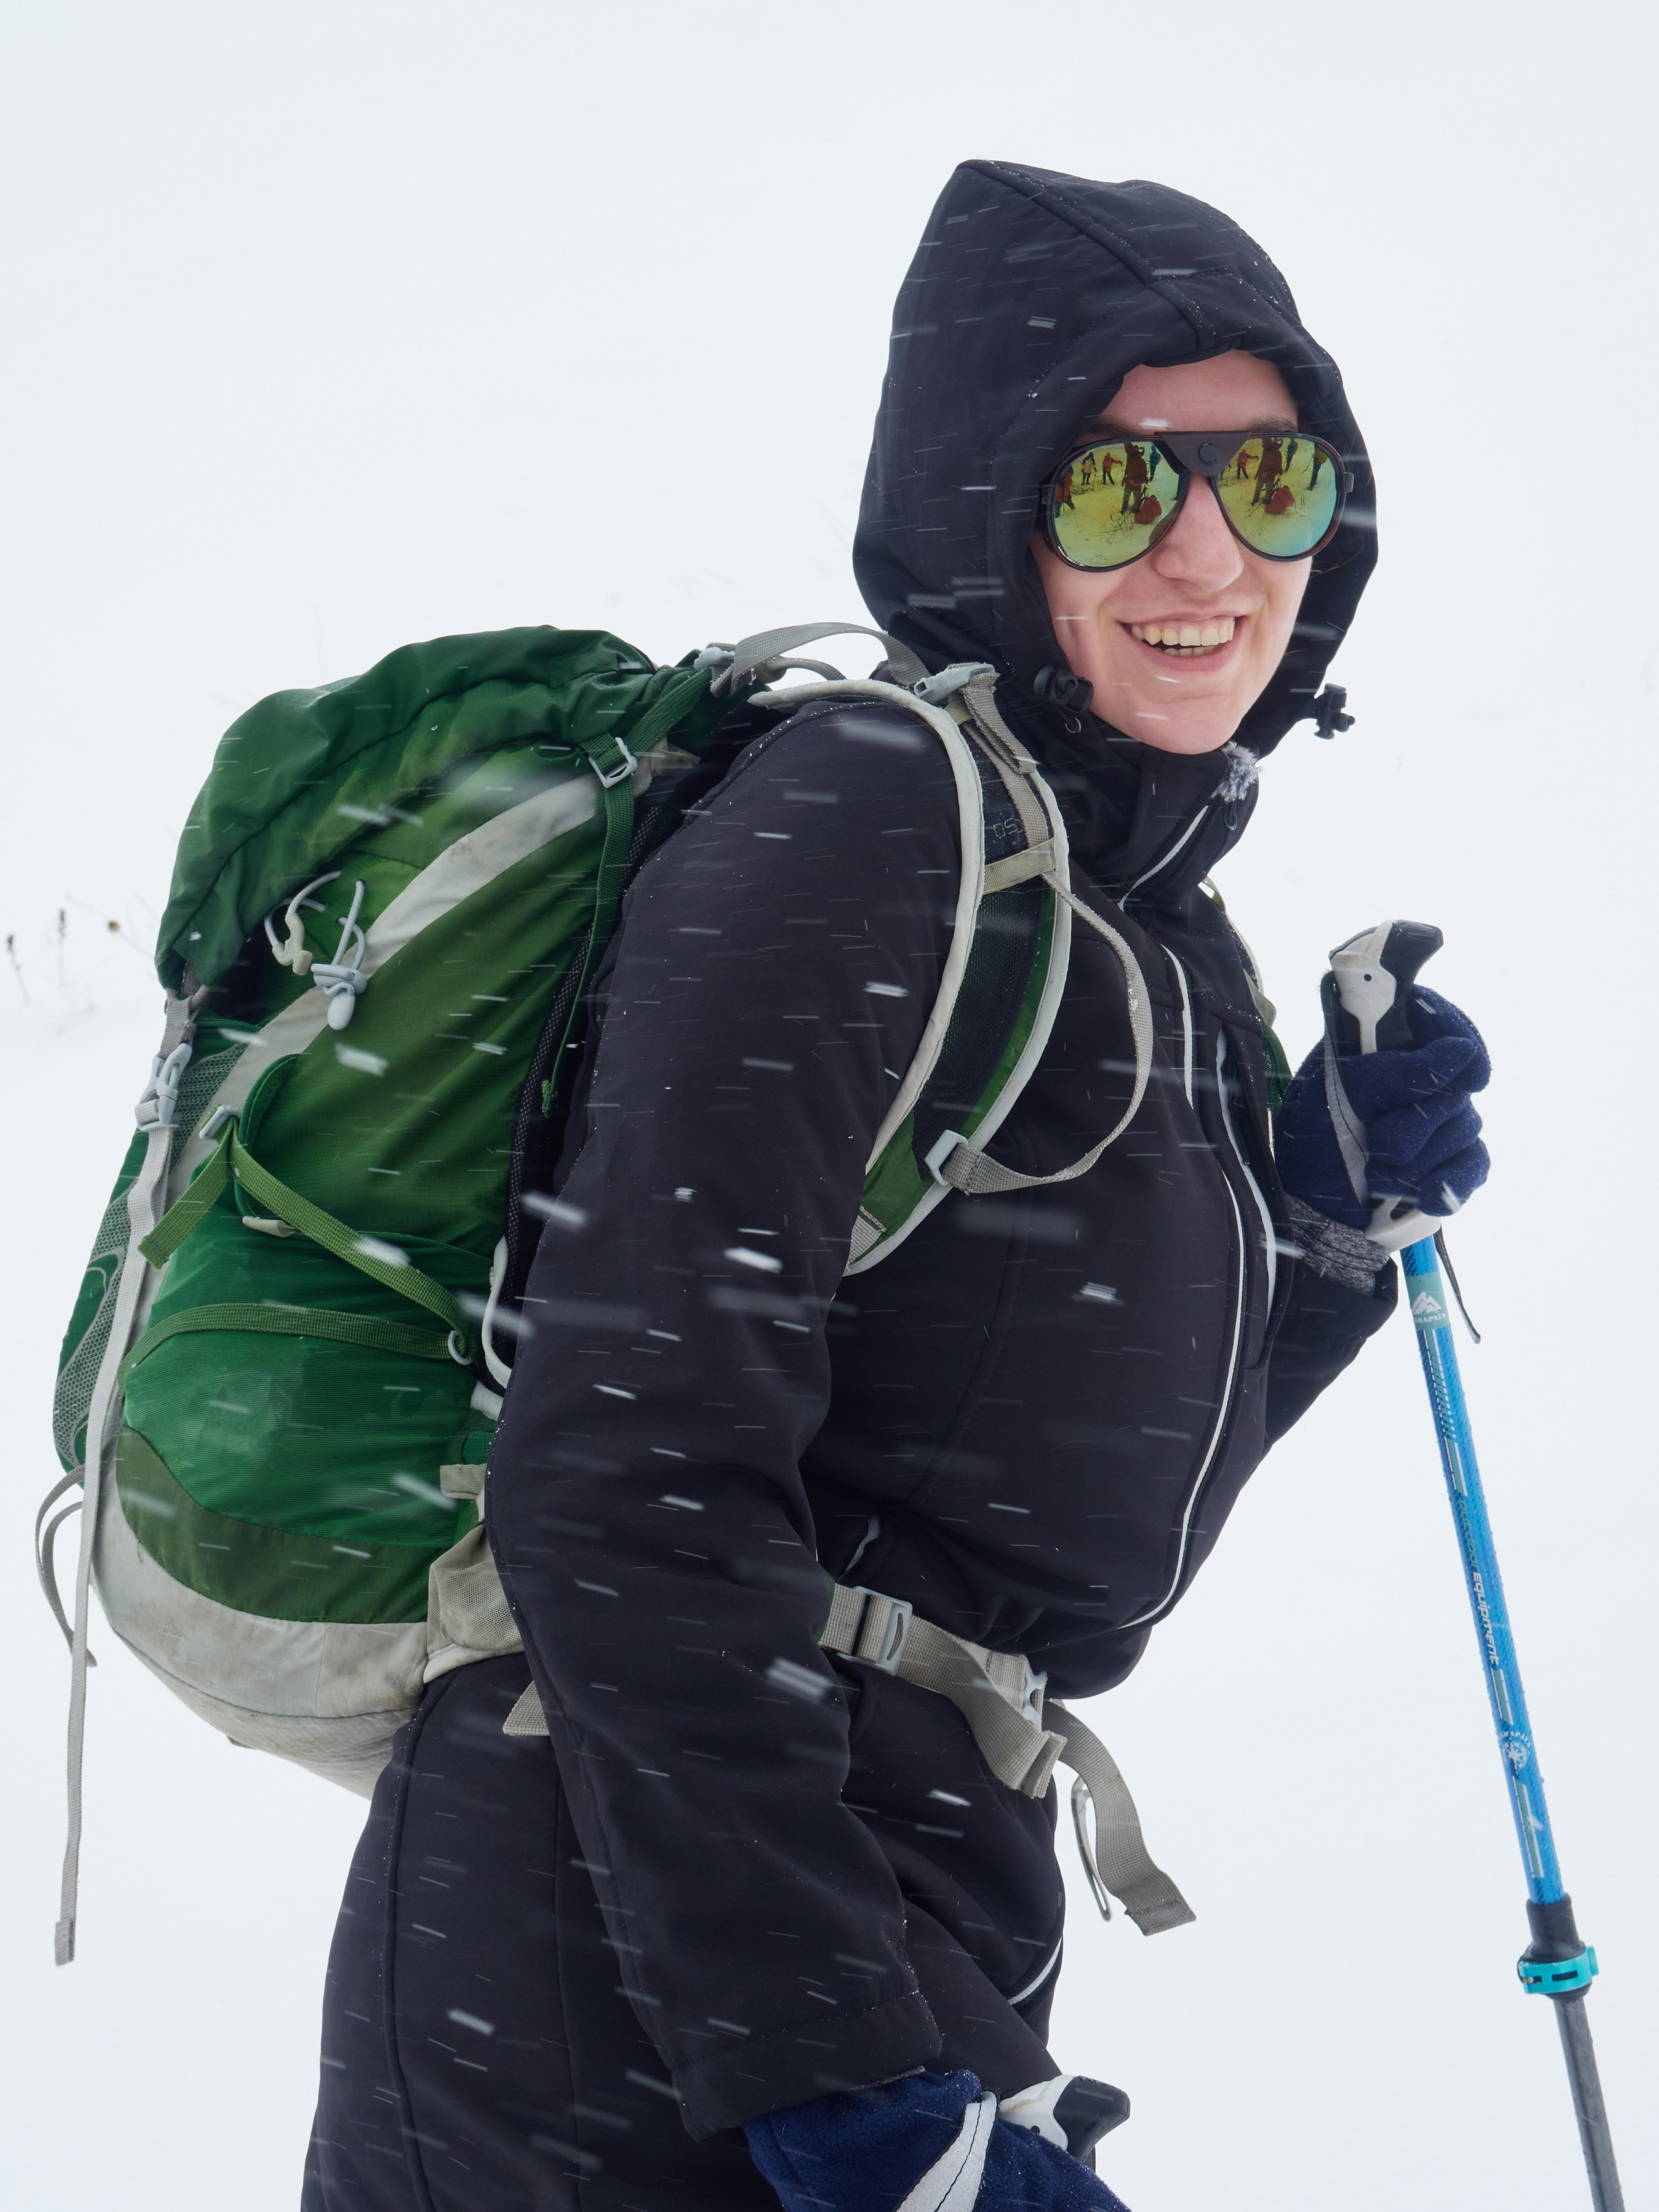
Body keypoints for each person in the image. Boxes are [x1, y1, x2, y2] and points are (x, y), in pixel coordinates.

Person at [303, 159, 1490, 2212]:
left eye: (1273, 477)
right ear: (980, 505)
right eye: (1119, 485)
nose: (1212, 550)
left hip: (881, 1904)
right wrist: (846, 2078)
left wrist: (1320, 1231)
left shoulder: (1141, 924)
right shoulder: (864, 822)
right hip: (619, 1972)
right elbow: (619, 1474)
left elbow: (1056, 1543)